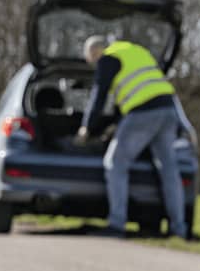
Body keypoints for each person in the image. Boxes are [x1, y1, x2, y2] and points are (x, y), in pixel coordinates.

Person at [76, 35, 188, 239]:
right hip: (168, 109)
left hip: (144, 113)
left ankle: (117, 224)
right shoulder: (135, 50)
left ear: (94, 52)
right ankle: (179, 229)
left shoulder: (107, 59)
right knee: (169, 170)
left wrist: (87, 128)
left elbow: (99, 95)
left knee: (115, 163)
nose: (91, 64)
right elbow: (131, 93)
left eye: (90, 59)